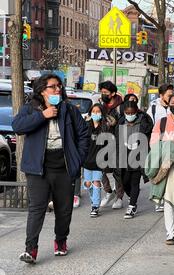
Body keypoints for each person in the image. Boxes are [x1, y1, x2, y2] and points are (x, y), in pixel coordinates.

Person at [12, 74, 89, 264]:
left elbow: (83, 134)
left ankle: (61, 241)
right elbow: (18, 126)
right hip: (39, 168)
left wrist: (77, 158)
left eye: (59, 86)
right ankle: (31, 249)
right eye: (52, 87)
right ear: (42, 91)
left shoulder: (69, 110)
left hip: (63, 166)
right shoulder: (31, 109)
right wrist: (42, 115)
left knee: (64, 209)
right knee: (36, 209)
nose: (57, 90)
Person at [146, 93, 174, 245]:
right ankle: (170, 233)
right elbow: (154, 143)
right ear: (169, 105)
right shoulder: (161, 123)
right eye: (173, 102)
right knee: (168, 199)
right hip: (165, 166)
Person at [116, 101, 153, 219]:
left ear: (136, 112)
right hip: (124, 156)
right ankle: (132, 196)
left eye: (132, 113)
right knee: (125, 181)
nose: (129, 115)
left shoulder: (143, 122)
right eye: (127, 113)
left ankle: (132, 206)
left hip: (138, 156)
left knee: (134, 182)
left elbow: (148, 136)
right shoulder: (121, 122)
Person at [83, 103, 115, 218]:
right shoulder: (86, 126)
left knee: (96, 182)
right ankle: (93, 201)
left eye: (98, 111)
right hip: (87, 160)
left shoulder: (106, 127)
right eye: (94, 111)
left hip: (99, 160)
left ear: (102, 113)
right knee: (88, 183)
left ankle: (95, 206)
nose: (95, 113)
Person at [147, 84, 174, 212]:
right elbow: (148, 126)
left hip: (172, 144)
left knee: (169, 173)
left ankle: (166, 199)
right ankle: (158, 199)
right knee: (158, 172)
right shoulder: (153, 108)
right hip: (158, 144)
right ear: (162, 96)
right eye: (169, 95)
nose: (171, 97)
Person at [98, 81, 124, 209]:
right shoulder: (101, 106)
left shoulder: (121, 107)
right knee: (100, 169)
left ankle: (119, 197)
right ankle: (109, 192)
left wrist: (116, 125)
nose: (103, 95)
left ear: (113, 93)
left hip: (117, 142)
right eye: (102, 92)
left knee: (117, 172)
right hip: (102, 141)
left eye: (105, 93)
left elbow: (126, 124)